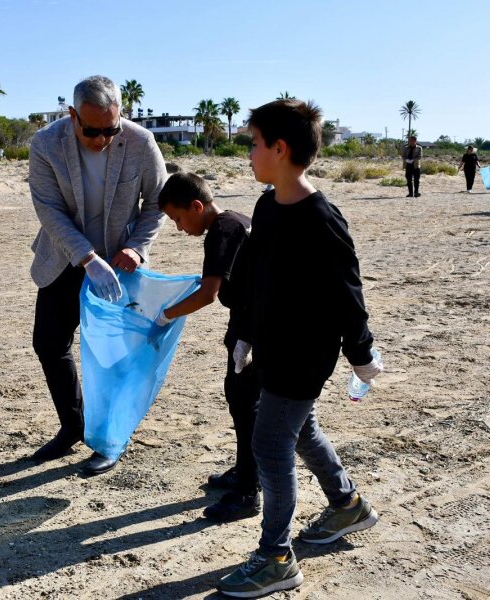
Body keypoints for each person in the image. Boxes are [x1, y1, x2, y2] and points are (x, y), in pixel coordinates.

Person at [216, 99, 382, 598]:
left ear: (280, 148)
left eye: (254, 143)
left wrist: (361, 352)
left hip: (305, 353)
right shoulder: (268, 207)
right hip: (271, 344)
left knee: (270, 443)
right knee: (300, 426)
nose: (249, 153)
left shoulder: (320, 217)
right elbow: (251, 275)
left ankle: (276, 558)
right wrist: (244, 329)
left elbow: (346, 290)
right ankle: (346, 504)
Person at [27, 75, 167, 476]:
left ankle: (109, 438)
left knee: (112, 356)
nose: (104, 139)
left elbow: (156, 201)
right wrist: (86, 257)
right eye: (93, 131)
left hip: (120, 266)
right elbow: (49, 209)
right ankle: (73, 426)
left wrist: (136, 248)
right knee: (50, 344)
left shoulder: (140, 142)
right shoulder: (45, 144)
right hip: (63, 259)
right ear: (72, 116)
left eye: (112, 129)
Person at [155, 172, 259, 523]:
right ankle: (245, 470)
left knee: (245, 406)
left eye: (179, 219)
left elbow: (208, 293)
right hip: (252, 324)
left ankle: (248, 490)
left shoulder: (222, 231)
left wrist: (165, 316)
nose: (180, 228)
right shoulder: (238, 220)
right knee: (241, 402)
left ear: (197, 206)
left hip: (252, 331)